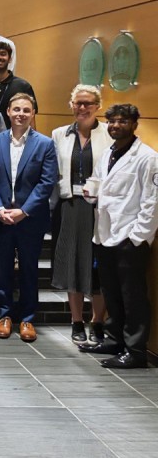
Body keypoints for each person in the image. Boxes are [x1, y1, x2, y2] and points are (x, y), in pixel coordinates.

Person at [79, 104, 158, 369]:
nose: (115, 125)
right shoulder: (108, 153)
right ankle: (114, 340)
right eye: (111, 121)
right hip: (104, 234)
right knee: (112, 292)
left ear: (135, 123)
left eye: (122, 121)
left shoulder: (147, 157)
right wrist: (91, 193)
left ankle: (135, 350)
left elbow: (152, 202)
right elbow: (99, 183)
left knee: (132, 296)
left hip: (129, 238)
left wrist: (138, 237)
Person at [0, 93, 57, 343]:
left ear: (33, 114)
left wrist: (24, 211)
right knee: (3, 268)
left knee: (29, 269)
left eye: (26, 110)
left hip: (30, 219)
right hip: (2, 217)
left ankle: (27, 318)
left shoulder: (45, 144)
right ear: (8, 111)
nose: (20, 114)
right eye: (16, 109)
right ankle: (5, 315)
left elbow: (46, 182)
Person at [51, 85, 112, 344]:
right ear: (71, 104)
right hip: (70, 206)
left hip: (100, 209)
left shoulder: (109, 134)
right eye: (78, 103)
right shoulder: (59, 134)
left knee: (98, 268)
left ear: (97, 106)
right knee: (72, 263)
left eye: (88, 103)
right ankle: (76, 321)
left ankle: (97, 322)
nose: (83, 108)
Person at [0, 41, 37, 129]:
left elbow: (31, 119)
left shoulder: (23, 86)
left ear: (9, 59)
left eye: (3, 54)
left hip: (15, 139)